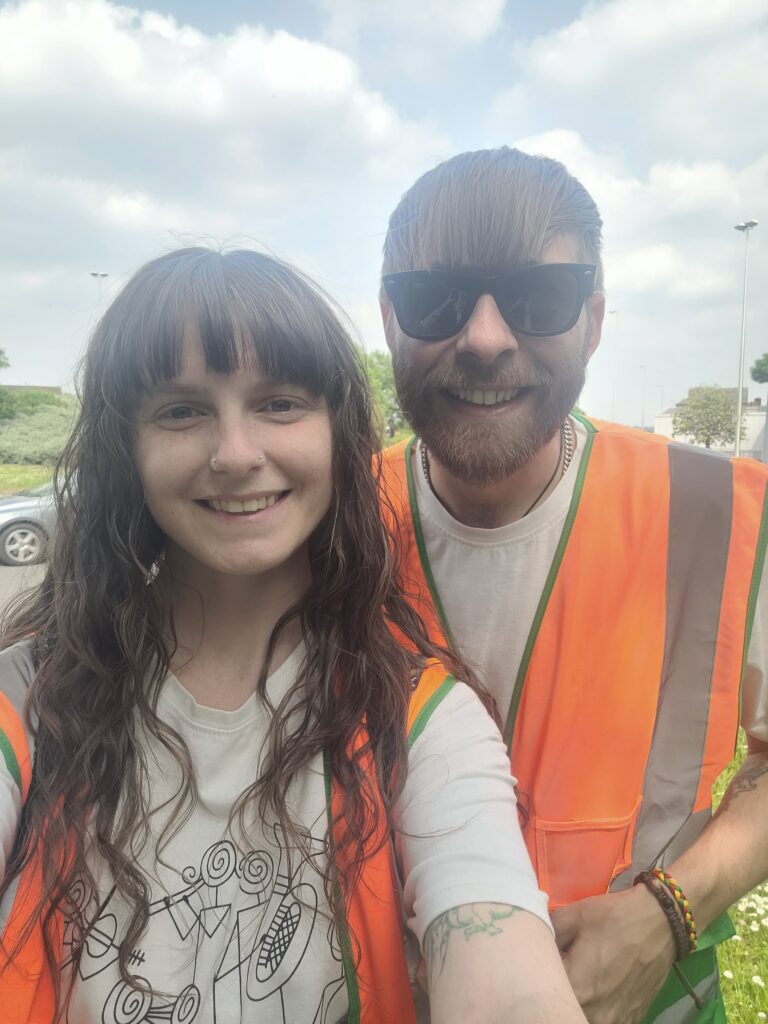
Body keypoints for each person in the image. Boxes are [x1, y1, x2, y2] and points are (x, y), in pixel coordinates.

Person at [0, 247, 587, 1024]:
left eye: (279, 403)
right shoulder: (29, 696)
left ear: (339, 435)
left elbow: (507, 979)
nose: (236, 454)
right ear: (125, 449)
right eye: (182, 410)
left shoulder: (421, 724)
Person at [378, 147, 768, 1024]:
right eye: (436, 299)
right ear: (389, 318)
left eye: (539, 300)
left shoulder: (723, 513)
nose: (485, 338)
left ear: (593, 320)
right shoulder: (322, 527)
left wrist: (670, 912)